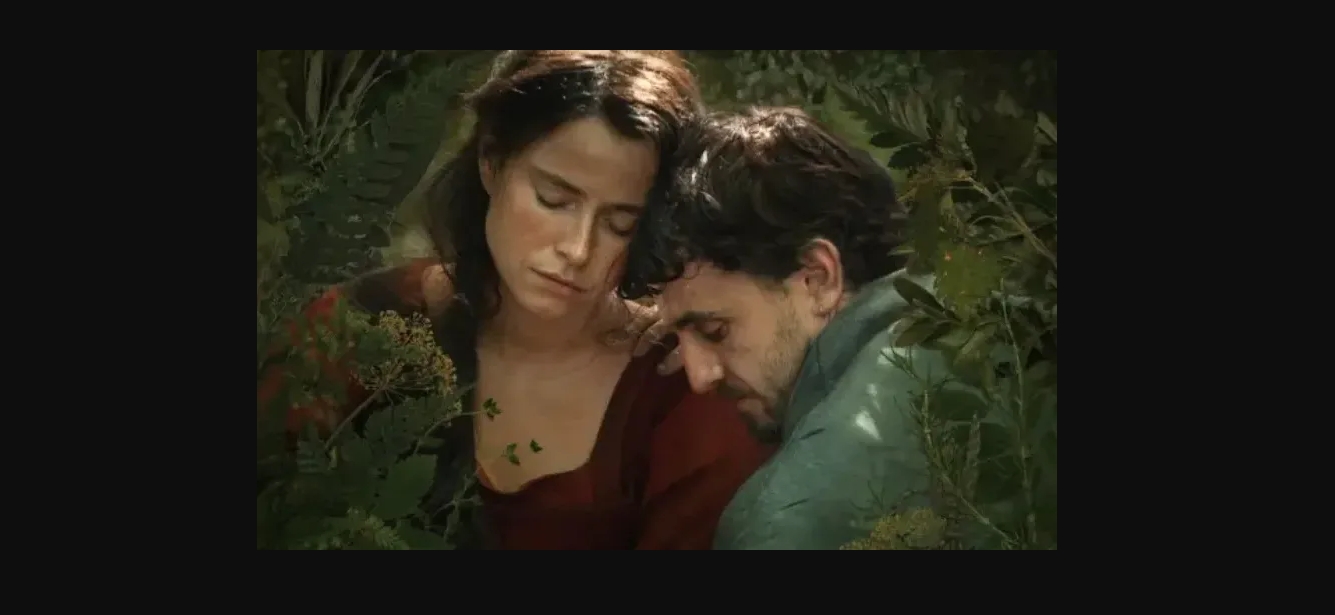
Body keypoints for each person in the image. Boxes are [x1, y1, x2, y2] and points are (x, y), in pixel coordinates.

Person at [259, 50, 771, 550]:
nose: (577, 249)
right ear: (491, 162)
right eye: (554, 200)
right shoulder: (365, 323)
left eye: (620, 224)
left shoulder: (681, 392)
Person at [619, 106, 973, 550]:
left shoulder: (784, 523)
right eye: (678, 339)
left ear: (817, 278)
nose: (699, 377)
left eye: (714, 330)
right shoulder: (1016, 321)